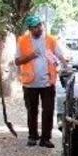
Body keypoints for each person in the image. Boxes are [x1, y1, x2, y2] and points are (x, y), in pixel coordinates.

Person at [14, 15, 68, 148]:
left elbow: (60, 55)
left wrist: (66, 66)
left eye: (39, 26)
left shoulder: (50, 40)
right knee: (32, 111)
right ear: (30, 29)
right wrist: (31, 55)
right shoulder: (23, 41)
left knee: (48, 111)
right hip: (29, 83)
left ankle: (46, 138)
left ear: (42, 25)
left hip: (47, 82)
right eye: (34, 28)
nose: (38, 29)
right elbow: (17, 61)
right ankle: (32, 136)